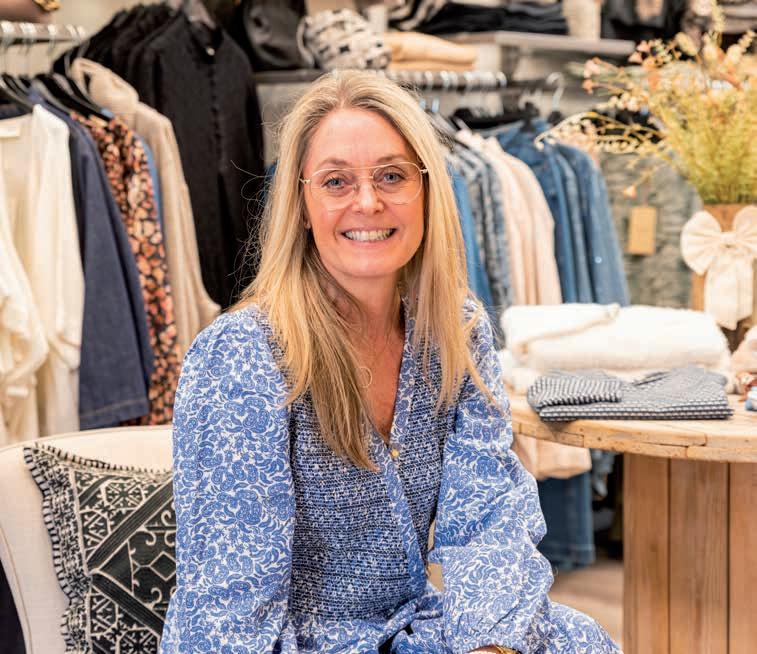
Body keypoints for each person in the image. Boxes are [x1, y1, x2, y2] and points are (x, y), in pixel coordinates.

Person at [159, 70, 620, 654]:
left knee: (578, 640)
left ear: (426, 190)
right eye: (336, 181)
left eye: (392, 175)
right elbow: (231, 603)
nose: (368, 202)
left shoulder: (453, 331)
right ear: (301, 204)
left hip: (409, 627)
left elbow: (487, 520)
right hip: (291, 641)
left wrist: (490, 646)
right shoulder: (243, 355)